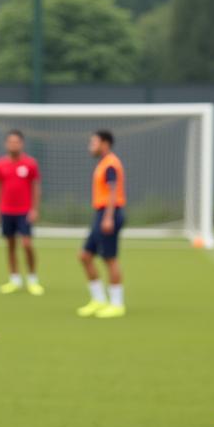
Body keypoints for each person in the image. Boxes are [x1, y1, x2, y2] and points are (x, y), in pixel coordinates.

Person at [77, 129, 126, 318]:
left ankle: (117, 304)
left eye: (94, 142)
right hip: (101, 213)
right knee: (85, 256)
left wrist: (108, 217)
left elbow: (113, 191)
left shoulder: (111, 164)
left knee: (110, 259)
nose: (91, 146)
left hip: (109, 213)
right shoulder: (103, 163)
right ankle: (98, 300)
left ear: (105, 143)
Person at [0, 128, 43, 295]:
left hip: (24, 211)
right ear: (6, 144)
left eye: (16, 141)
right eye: (10, 141)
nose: (13, 144)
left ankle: (33, 279)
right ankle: (14, 279)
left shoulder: (30, 164)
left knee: (27, 244)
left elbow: (36, 188)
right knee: (11, 245)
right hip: (6, 211)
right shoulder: (0, 164)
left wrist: (34, 209)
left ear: (22, 144)